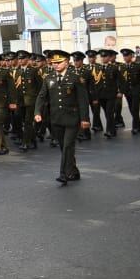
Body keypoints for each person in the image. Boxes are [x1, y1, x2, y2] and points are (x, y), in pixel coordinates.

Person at [35, 50, 90, 186]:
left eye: (59, 63)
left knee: (67, 146)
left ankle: (63, 174)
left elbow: (83, 100)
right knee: (63, 147)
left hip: (72, 118)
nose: (56, 65)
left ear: (66, 62)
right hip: (56, 119)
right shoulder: (48, 78)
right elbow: (42, 96)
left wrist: (85, 119)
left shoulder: (75, 78)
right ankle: (74, 170)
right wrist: (37, 112)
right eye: (53, 63)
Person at [118, 48, 140, 134]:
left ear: (131, 56)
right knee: (131, 109)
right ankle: (139, 126)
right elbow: (120, 81)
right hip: (127, 91)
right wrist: (121, 91)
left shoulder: (137, 66)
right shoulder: (121, 67)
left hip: (136, 90)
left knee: (135, 108)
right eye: (124, 56)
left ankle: (135, 127)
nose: (125, 57)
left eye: (127, 55)